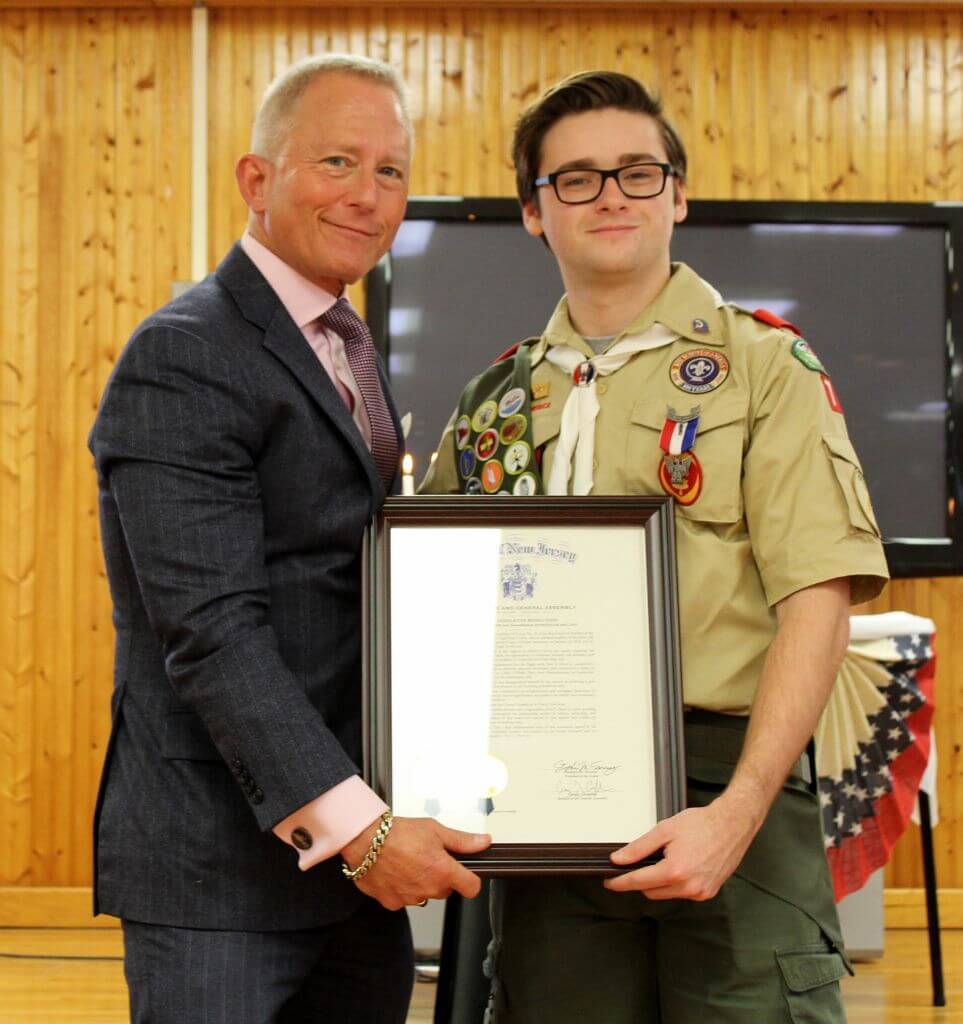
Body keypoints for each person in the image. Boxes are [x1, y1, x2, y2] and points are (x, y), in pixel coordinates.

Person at [420, 70, 889, 1023]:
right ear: (532, 212)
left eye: (637, 172)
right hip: (542, 805)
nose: (610, 197)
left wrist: (739, 812)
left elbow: (816, 597)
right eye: (575, 179)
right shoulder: (492, 404)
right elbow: (432, 610)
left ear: (676, 194)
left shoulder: (765, 370)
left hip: (726, 785)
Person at [89, 54, 489, 1024]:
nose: (368, 195)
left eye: (391, 170)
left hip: (347, 864)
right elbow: (213, 632)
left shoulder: (344, 341)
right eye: (338, 161)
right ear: (256, 179)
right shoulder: (186, 351)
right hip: (224, 866)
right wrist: (363, 832)